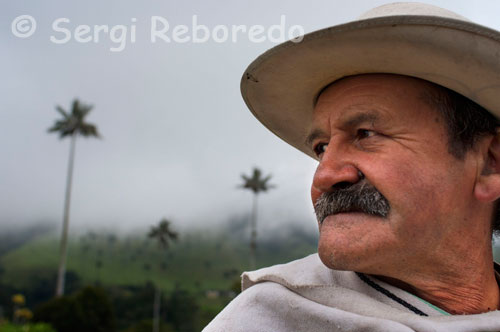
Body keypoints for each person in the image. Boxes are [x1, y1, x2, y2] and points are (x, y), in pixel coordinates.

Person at [203, 3, 500, 331]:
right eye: (321, 148)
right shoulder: (267, 321)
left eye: (366, 134)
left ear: (490, 162)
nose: (325, 175)